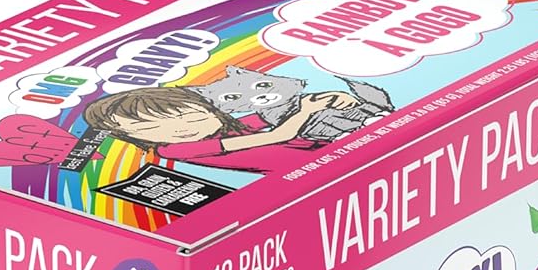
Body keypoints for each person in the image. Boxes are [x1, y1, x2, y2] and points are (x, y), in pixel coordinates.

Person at [81, 86, 357, 175]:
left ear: (207, 107)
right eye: (152, 128)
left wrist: (325, 97)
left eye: (187, 116)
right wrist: (306, 110)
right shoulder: (173, 149)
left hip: (322, 151)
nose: (182, 128)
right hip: (304, 168)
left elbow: (270, 113)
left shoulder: (224, 127)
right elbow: (277, 135)